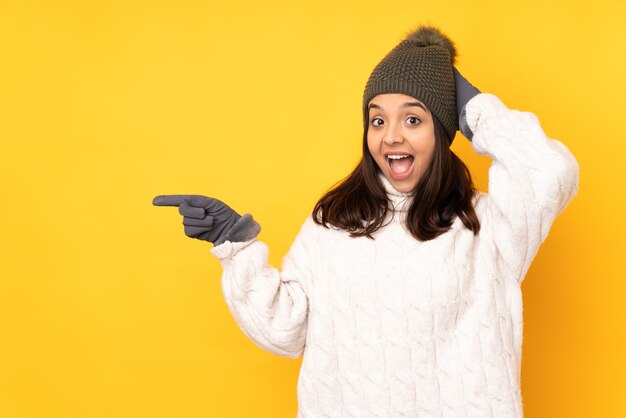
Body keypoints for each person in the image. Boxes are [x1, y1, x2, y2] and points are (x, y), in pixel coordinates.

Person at [153, 24, 579, 417]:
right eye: (378, 119)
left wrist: (475, 111)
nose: (391, 135)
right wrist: (236, 245)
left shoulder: (486, 226)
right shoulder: (334, 223)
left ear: (444, 133)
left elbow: (548, 171)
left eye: (413, 119)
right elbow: (284, 331)